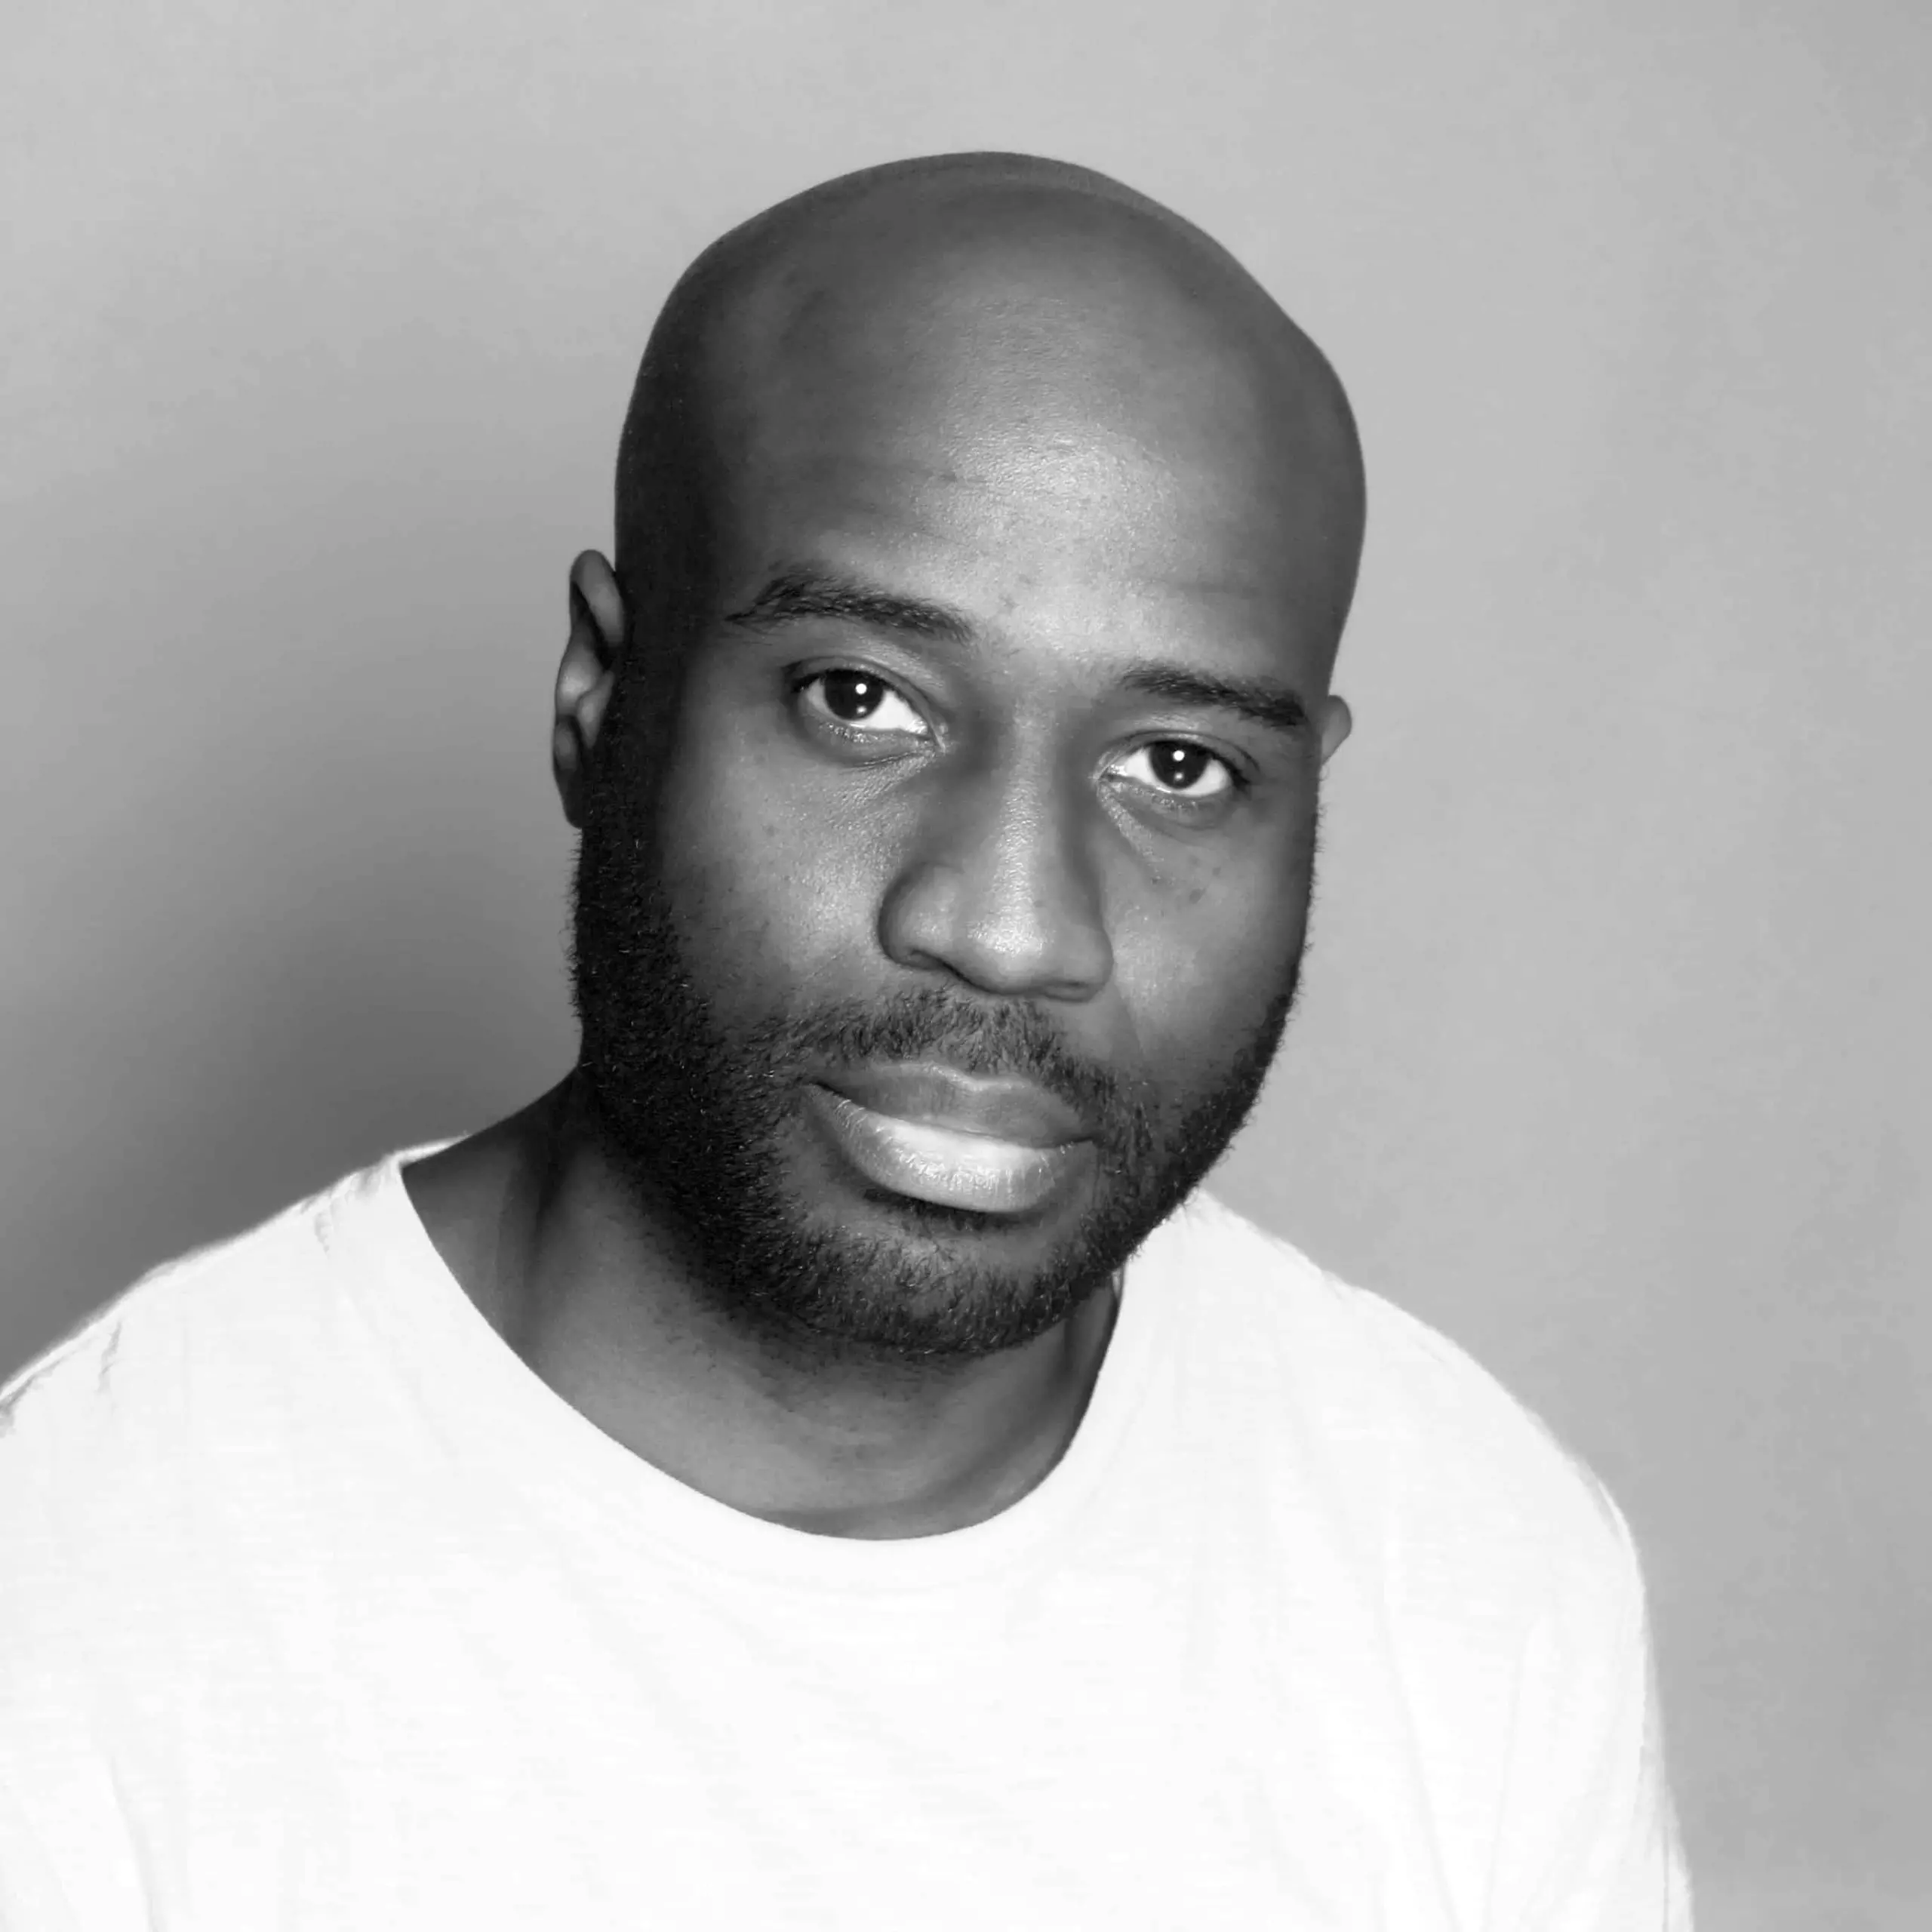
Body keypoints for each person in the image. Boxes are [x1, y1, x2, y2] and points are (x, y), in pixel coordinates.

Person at [0, 152, 1692, 1928]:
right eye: (861, 700)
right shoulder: (85, 1611)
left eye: (1176, 764)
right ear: (600, 699)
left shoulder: (1474, 1563)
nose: (1014, 925)